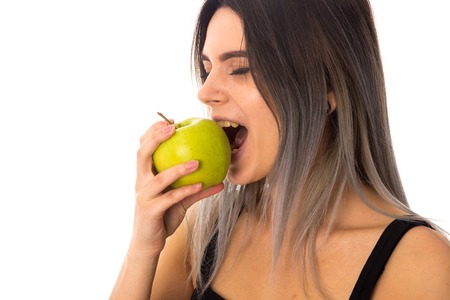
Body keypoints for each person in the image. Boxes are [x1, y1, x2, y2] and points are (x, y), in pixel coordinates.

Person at [110, 0, 450, 299]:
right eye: (207, 68)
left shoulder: (418, 263)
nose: (205, 92)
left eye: (240, 68)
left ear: (326, 86)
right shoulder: (201, 231)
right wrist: (144, 246)